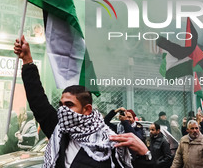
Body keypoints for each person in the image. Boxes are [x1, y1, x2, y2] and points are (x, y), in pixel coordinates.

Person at [14, 35, 148, 168]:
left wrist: (145, 154)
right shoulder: (60, 131)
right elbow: (38, 101)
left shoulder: (108, 141)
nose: (63, 110)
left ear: (87, 109)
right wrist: (27, 60)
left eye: (69, 105)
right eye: (61, 105)